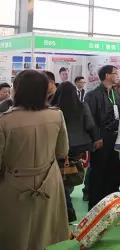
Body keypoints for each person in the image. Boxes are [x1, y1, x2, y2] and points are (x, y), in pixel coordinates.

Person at [0, 70, 70, 249]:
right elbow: (62, 151)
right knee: (43, 231)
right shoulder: (56, 115)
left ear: (17, 90)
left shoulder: (5, 121)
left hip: (14, 184)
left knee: (16, 234)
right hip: (49, 181)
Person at [54, 81, 99, 222]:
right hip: (78, 146)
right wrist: (96, 139)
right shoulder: (82, 106)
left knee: (60, 178)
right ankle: (68, 204)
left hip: (58, 146)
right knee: (70, 173)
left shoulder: (53, 109)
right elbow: (90, 125)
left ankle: (67, 210)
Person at [84, 65, 120, 209]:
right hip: (101, 139)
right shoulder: (92, 95)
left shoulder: (117, 95)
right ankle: (95, 206)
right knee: (99, 172)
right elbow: (90, 119)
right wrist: (96, 137)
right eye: (115, 73)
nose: (118, 75)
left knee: (116, 170)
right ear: (107, 75)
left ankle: (110, 204)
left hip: (117, 138)